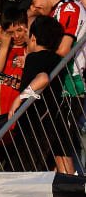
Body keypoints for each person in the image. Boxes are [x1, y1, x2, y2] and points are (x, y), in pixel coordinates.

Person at [15, 15, 76, 174]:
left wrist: (19, 98)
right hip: (55, 115)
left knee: (25, 167)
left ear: (33, 38)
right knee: (62, 158)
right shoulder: (58, 60)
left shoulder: (33, 57)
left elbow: (42, 79)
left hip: (35, 120)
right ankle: (71, 195)